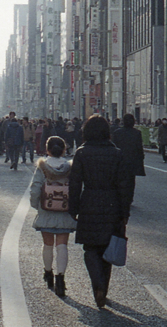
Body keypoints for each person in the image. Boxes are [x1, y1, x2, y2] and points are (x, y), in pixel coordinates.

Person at [67, 115, 135, 309]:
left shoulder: (82, 153)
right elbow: (126, 185)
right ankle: (103, 286)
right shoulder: (117, 154)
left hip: (89, 201)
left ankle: (97, 284)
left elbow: (74, 183)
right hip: (112, 203)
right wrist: (125, 211)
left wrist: (73, 207)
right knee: (108, 246)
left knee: (90, 248)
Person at [30, 136, 77, 297]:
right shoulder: (69, 167)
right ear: (64, 150)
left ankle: (48, 272)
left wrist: (36, 205)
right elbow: (77, 188)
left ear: (47, 149)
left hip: (46, 209)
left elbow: (35, 188)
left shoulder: (42, 167)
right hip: (64, 210)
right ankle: (61, 278)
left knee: (48, 244)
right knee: (62, 244)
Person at [111, 113, 146, 186]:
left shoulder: (117, 133)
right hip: (132, 162)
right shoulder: (137, 133)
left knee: (119, 183)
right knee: (130, 183)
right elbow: (139, 148)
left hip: (120, 162)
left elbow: (113, 148)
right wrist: (141, 158)